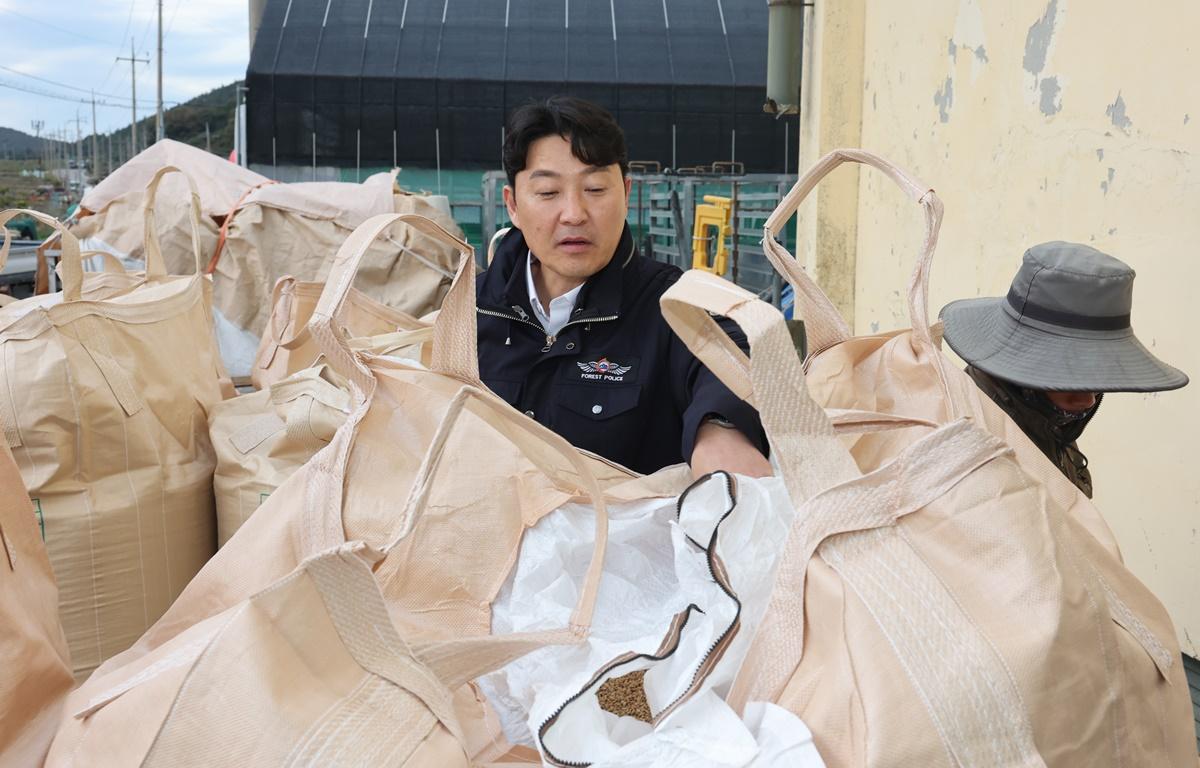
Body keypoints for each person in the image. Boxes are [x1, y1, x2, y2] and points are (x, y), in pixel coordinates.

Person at [476, 96, 771, 478]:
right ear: (513, 205)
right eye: (548, 193)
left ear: (627, 194)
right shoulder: (469, 311)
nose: (574, 214)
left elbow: (728, 367)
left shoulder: (674, 310)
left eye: (595, 189)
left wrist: (722, 435)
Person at [940, 241, 1188, 497]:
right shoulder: (966, 452)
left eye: (1097, 378)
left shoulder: (1040, 418)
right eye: (1069, 377)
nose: (1088, 399)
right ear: (1023, 362)